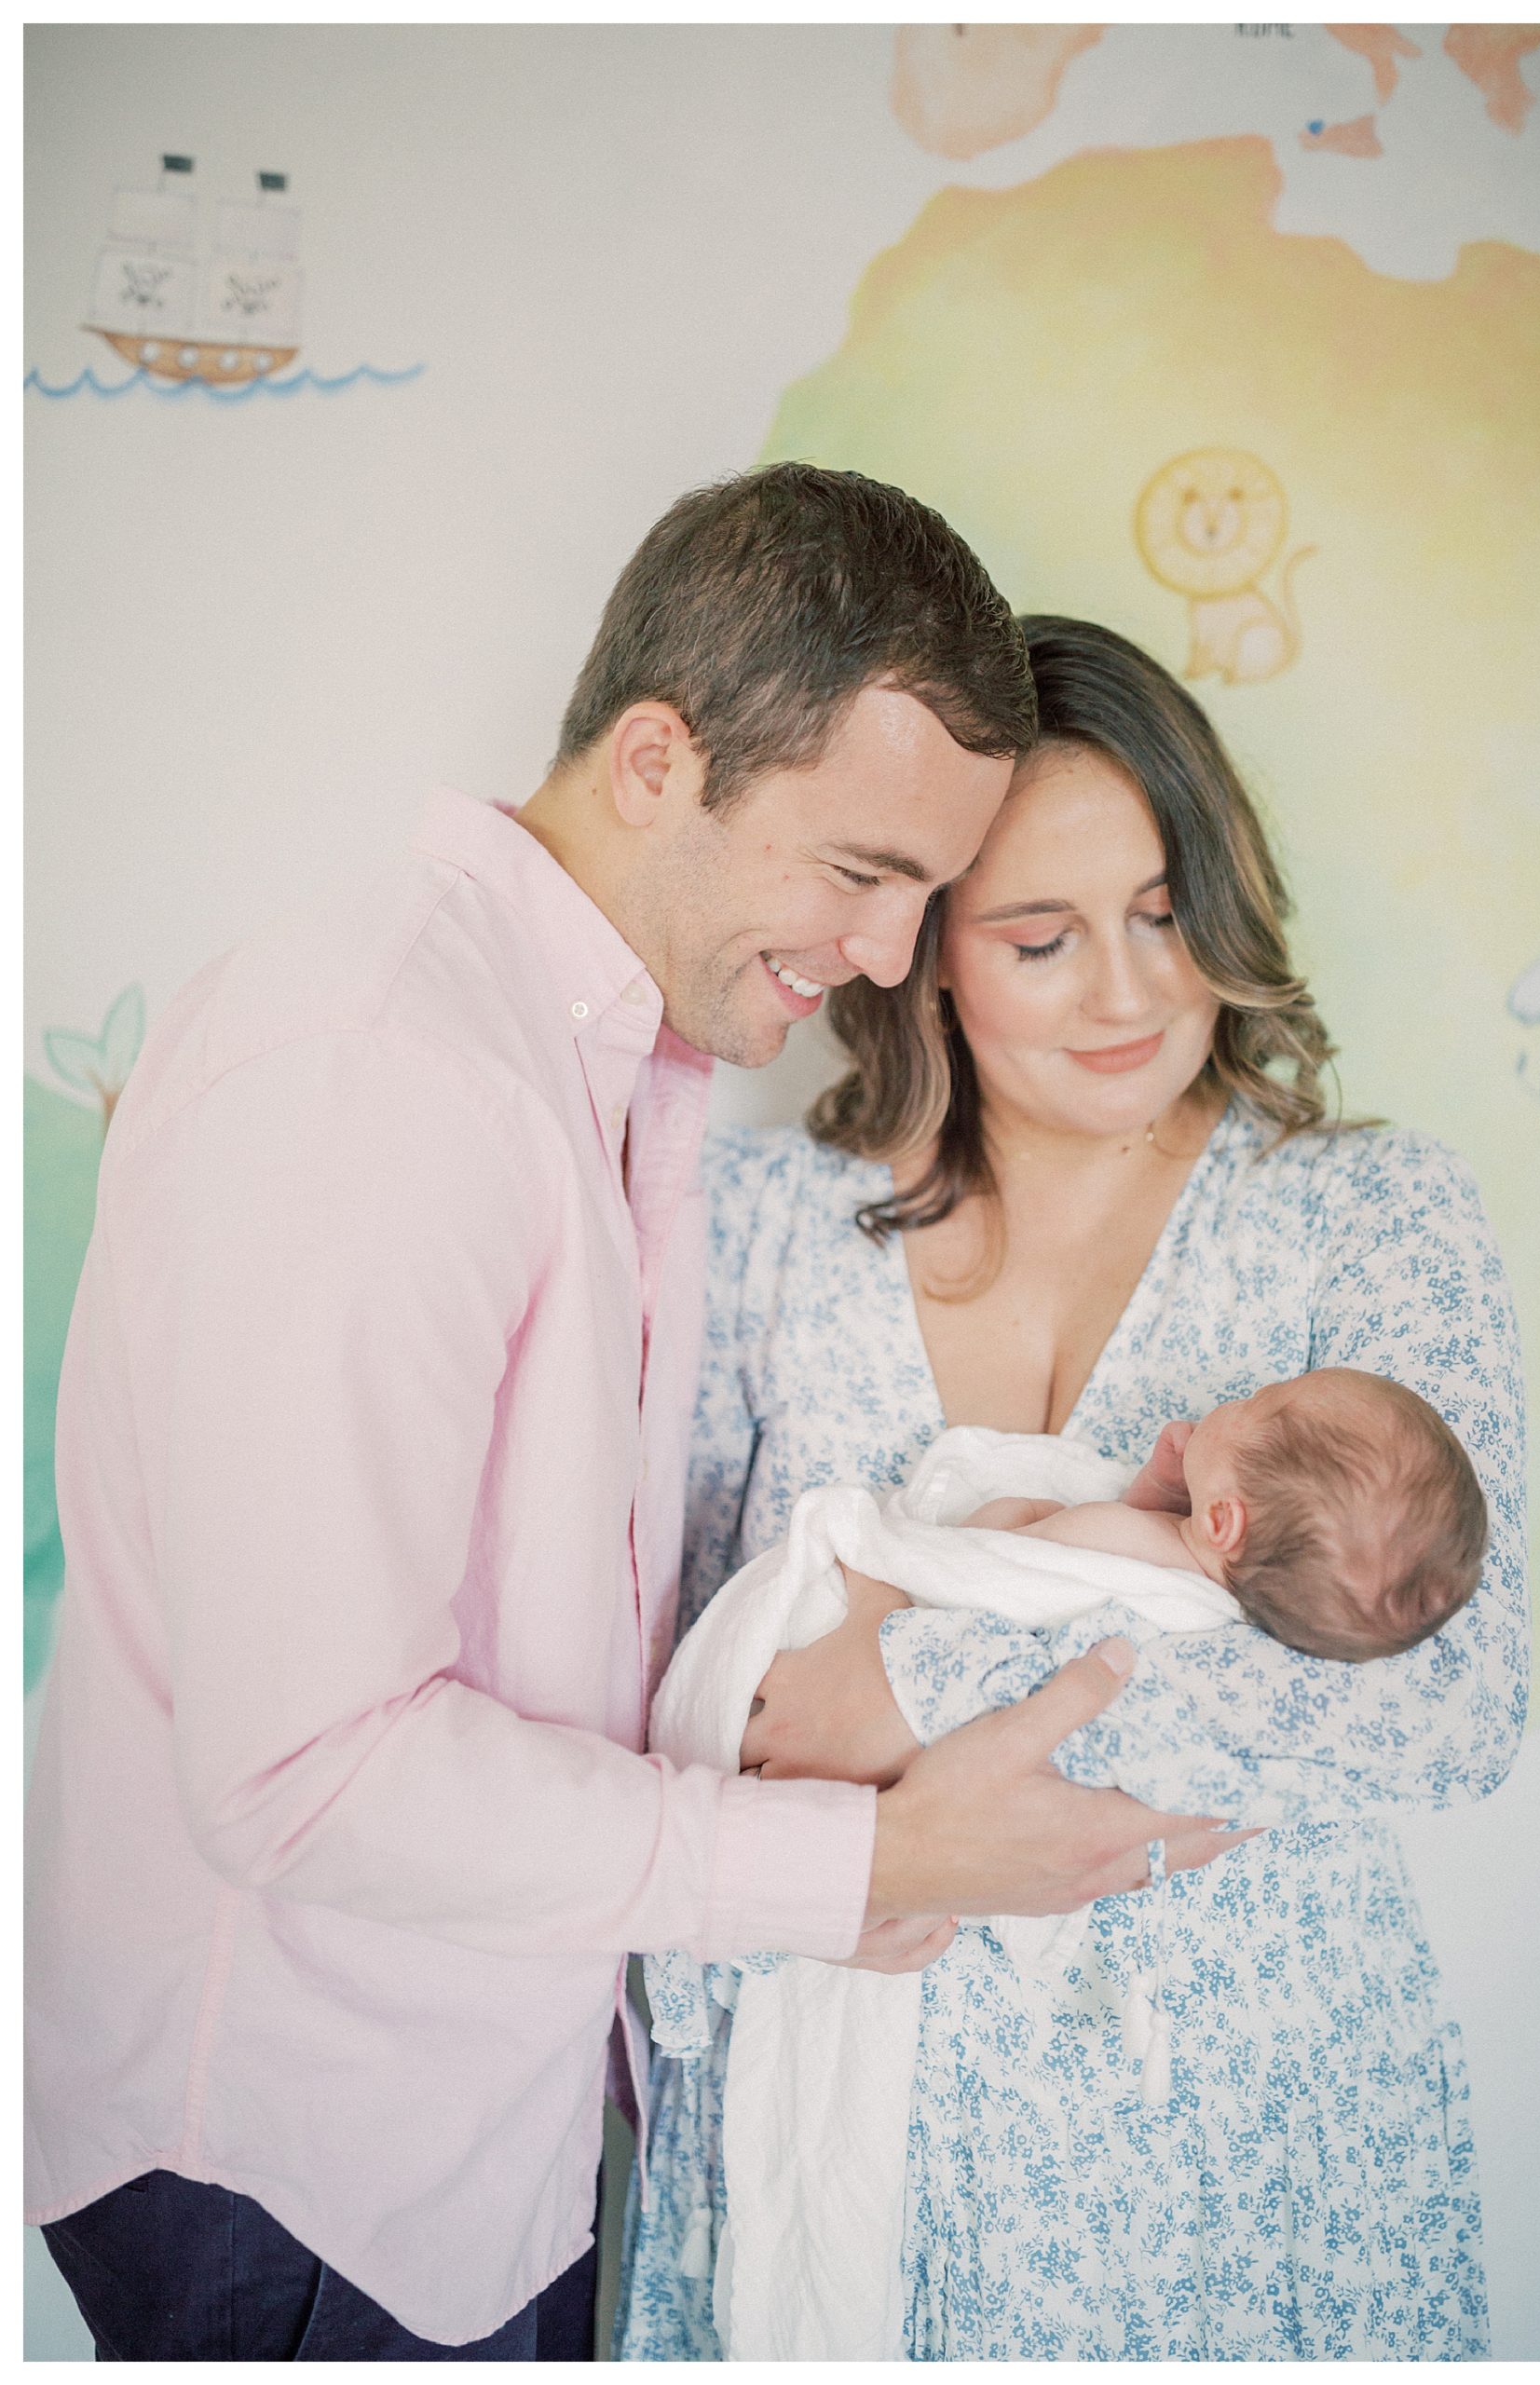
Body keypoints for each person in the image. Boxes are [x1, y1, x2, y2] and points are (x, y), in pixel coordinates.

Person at [24, 471, 1246, 2363]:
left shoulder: (616, 1070)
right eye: (858, 873)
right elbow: (306, 1769)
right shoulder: (380, 1068)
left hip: (472, 2149)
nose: (889, 955)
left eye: (925, 894)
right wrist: (865, 1869)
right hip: (297, 2171)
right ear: (659, 758)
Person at [615, 614, 1528, 2361]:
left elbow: (1448, 1702)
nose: (1129, 993)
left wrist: (893, 1695)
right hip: (835, 2133)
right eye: (1040, 938)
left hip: (1250, 2150)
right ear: (925, 947)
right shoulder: (764, 1235)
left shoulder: (1366, 1217)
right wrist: (874, 1836)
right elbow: (681, 1700)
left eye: (1165, 913)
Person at [965, 1365, 1489, 1664]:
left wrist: (1023, 1512)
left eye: (1256, 1401)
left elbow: (988, 1560)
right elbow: (1159, 1544)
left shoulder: (1101, 1533)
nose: (1240, 1396)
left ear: (1221, 1521)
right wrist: (1167, 1487)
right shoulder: (1219, 1583)